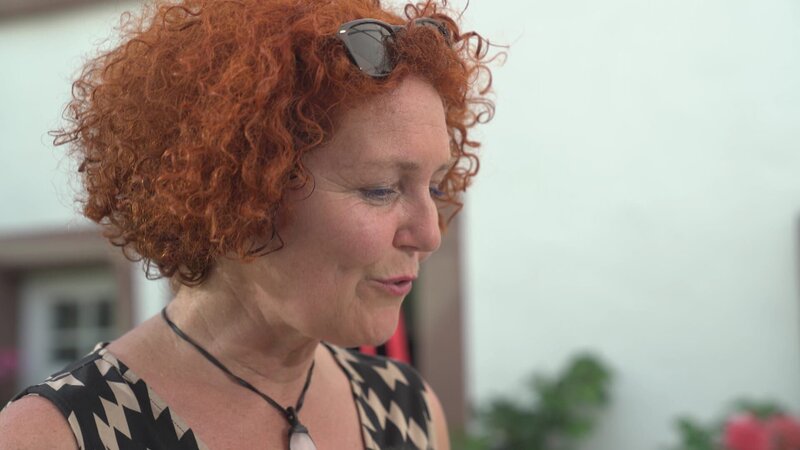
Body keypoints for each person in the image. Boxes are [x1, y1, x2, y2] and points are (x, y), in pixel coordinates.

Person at [0, 0, 495, 448]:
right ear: (244, 189)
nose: (430, 235)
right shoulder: (56, 437)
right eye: (381, 189)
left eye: (434, 187)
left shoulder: (409, 411)